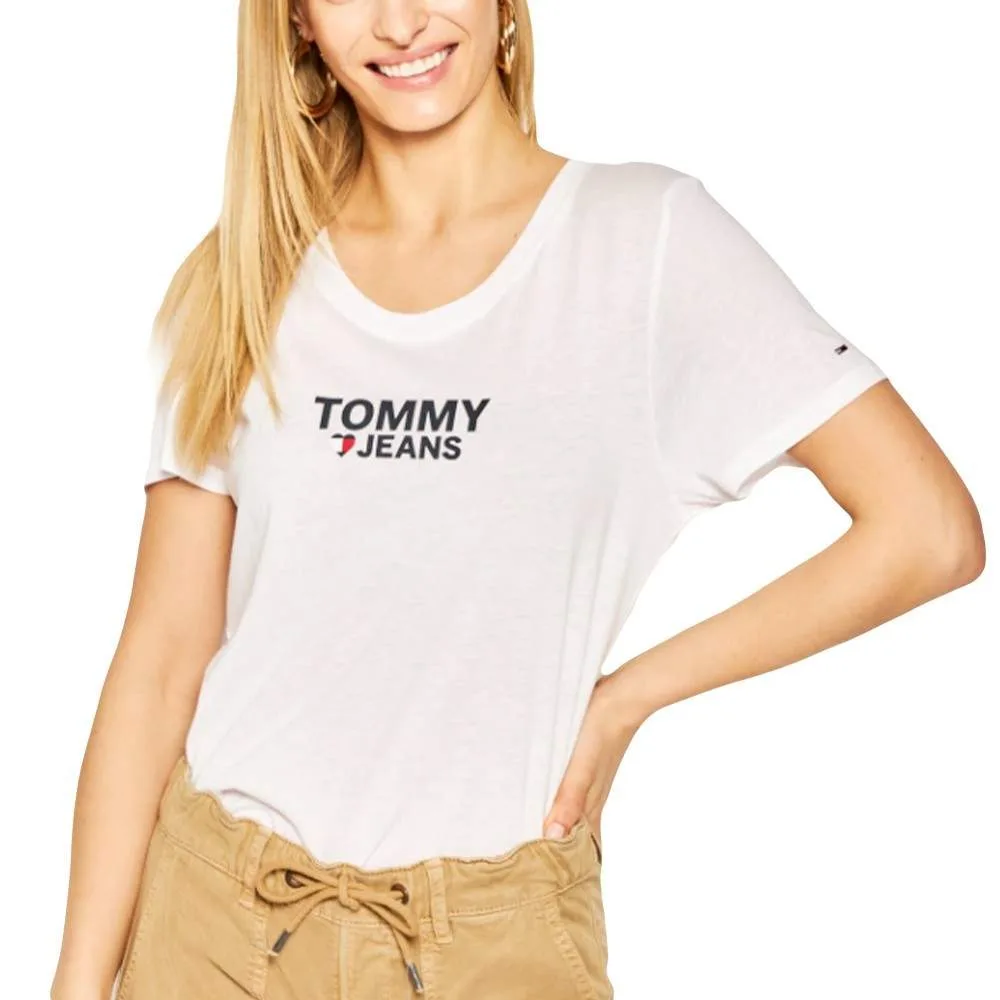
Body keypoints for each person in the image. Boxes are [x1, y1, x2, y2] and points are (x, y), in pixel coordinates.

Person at [51, 0, 985, 998]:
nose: (401, 22)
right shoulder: (243, 274)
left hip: (492, 945)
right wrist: (76, 983)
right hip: (215, 926)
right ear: (298, 24)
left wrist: (627, 698)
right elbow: (161, 661)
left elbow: (927, 528)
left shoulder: (644, 240)